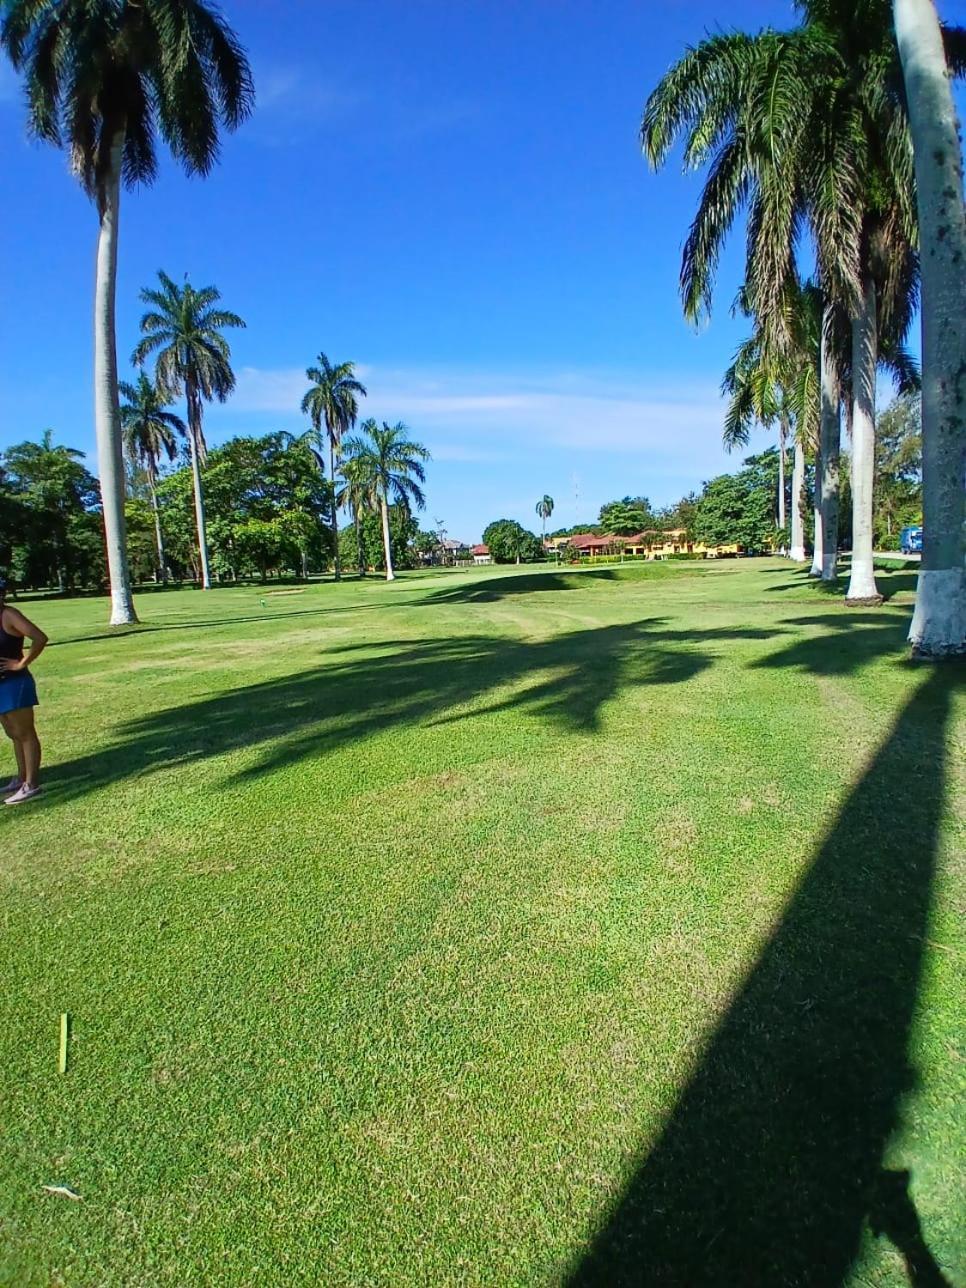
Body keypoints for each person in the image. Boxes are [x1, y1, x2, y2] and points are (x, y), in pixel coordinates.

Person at [0, 578, 47, 804]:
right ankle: (20, 779)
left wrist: (21, 663)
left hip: (14, 683)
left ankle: (32, 784)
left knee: (25, 733)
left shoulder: (9, 615)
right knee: (12, 732)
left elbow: (39, 637)